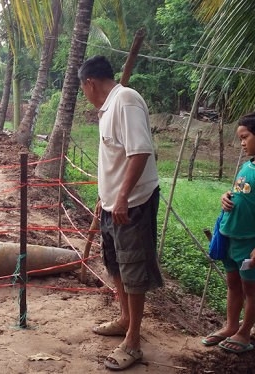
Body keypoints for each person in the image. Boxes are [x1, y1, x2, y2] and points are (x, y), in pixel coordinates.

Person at [79, 55, 163, 370]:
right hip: (113, 203)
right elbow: (115, 159)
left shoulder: (126, 100)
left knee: (133, 269)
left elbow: (140, 151)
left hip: (134, 203)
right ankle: (125, 318)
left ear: (89, 83)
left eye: (82, 88)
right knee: (114, 262)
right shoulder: (108, 108)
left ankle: (134, 340)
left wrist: (124, 196)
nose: (84, 94)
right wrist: (106, 197)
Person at [200, 111, 255, 353]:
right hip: (230, 237)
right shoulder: (247, 166)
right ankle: (230, 326)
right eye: (240, 138)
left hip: (250, 244)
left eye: (245, 137)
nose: (242, 143)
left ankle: (244, 333)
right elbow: (240, 192)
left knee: (250, 288)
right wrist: (225, 197)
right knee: (232, 284)